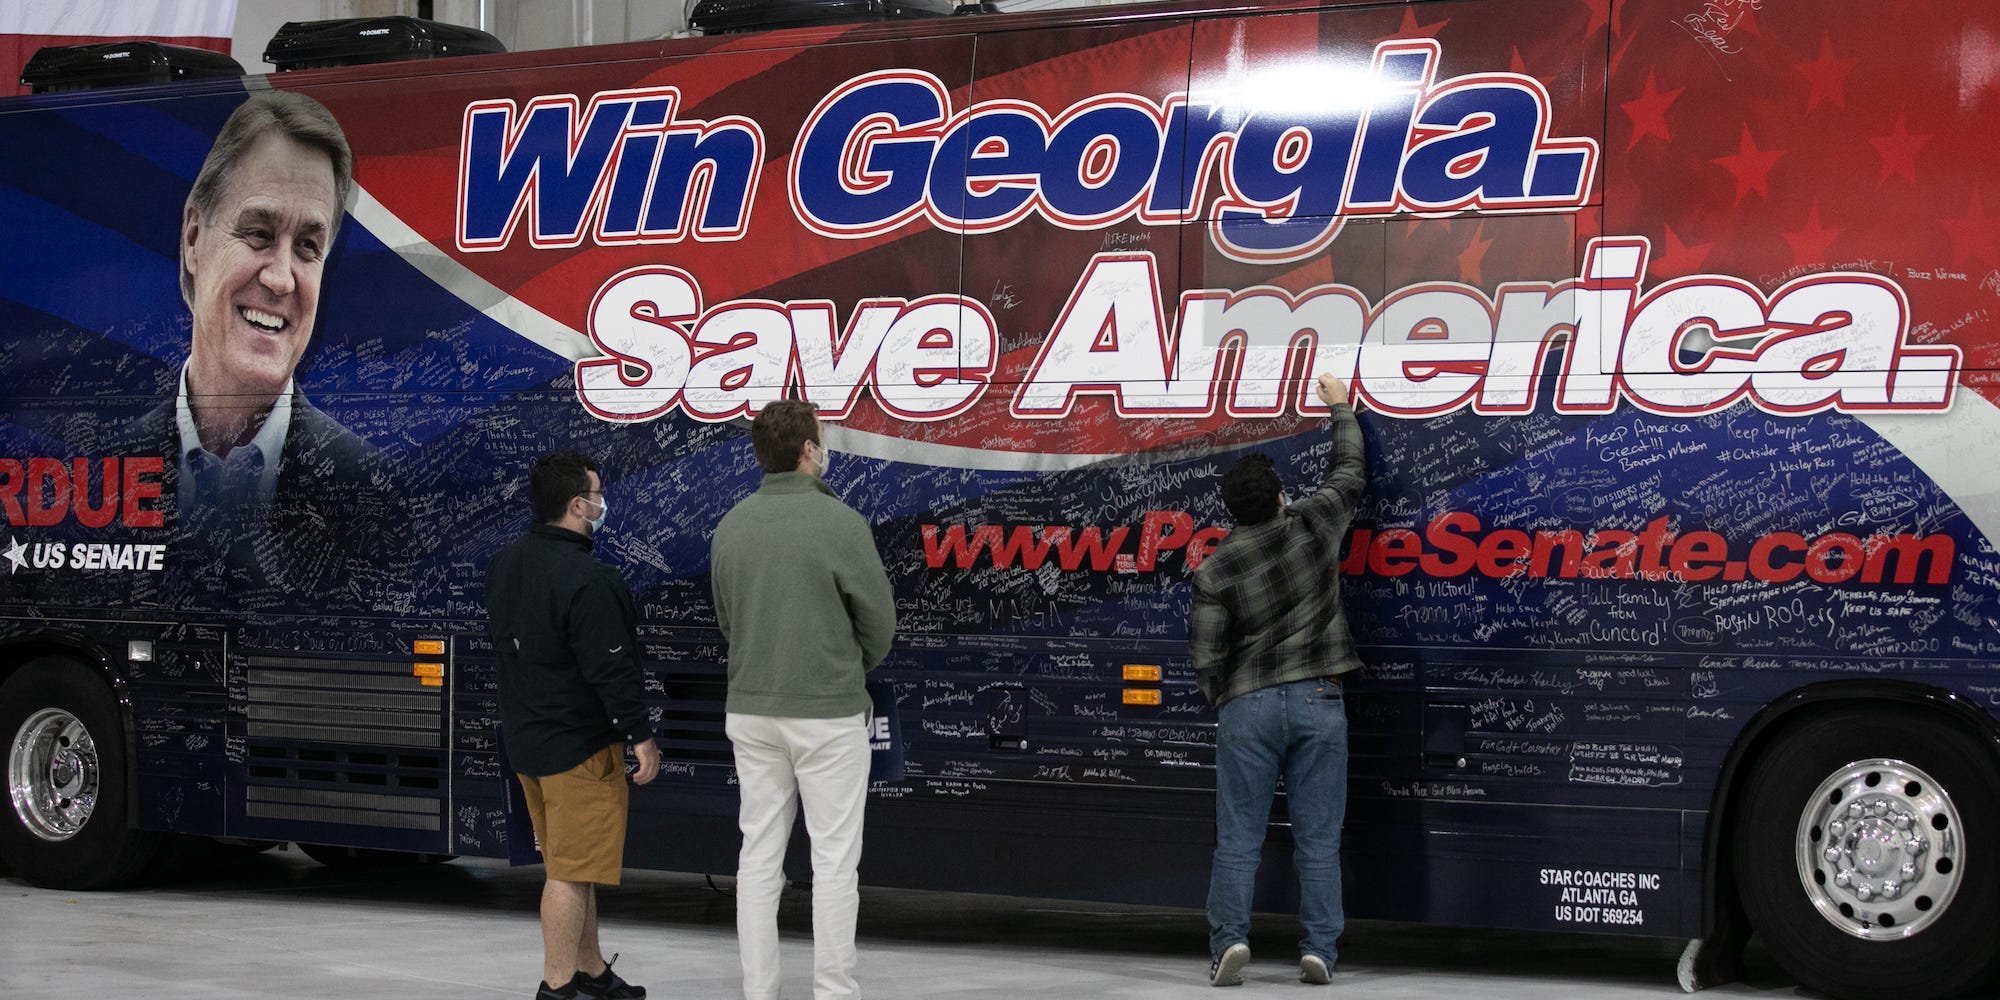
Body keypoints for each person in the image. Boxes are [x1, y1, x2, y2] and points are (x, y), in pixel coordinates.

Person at [120, 89, 395, 601]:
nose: (282, 278)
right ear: (194, 238)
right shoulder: (95, 470)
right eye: (258, 233)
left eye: (308, 247)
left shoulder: (378, 493)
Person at [709, 400, 896, 1000]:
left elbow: (726, 620)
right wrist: (846, 666)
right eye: (823, 437)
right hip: (828, 714)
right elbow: (880, 626)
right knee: (835, 862)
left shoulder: (731, 525)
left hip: (751, 710)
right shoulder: (841, 524)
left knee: (758, 856)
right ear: (808, 450)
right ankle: (833, 992)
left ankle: (758, 992)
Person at [1190, 373, 1368, 988]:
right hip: (1321, 697)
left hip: (1248, 707)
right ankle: (1318, 950)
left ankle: (1230, 945)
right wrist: (1341, 405)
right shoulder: (1314, 528)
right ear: (1281, 497)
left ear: (1230, 511)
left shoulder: (1216, 569)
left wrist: (1229, 698)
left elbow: (1206, 656)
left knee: (1238, 839)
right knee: (1318, 840)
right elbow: (1349, 473)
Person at [486, 451, 662, 1000]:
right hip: (580, 750)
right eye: (597, 495)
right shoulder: (591, 580)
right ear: (577, 505)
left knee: (573, 862)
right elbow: (612, 669)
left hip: (527, 744)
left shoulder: (504, 566)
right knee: (566, 874)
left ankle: (590, 971)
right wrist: (640, 736)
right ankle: (558, 985)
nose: (602, 504)